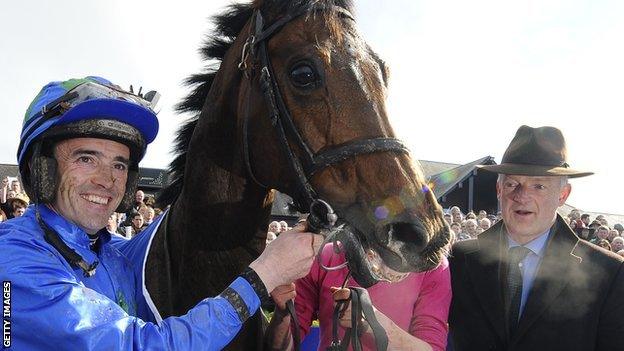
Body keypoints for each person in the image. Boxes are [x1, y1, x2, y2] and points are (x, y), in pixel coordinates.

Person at [0, 76, 323, 350]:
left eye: (119, 164)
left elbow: (190, 220)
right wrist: (261, 277)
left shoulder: (112, 250)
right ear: (41, 169)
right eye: (86, 158)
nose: (107, 180)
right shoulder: (14, 259)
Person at [448, 125, 624, 350]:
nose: (522, 196)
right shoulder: (460, 259)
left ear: (563, 195)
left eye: (538, 186)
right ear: (499, 190)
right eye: (512, 184)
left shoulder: (608, 272)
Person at [266, 243, 452, 350]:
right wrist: (283, 313)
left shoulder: (430, 265)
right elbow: (282, 347)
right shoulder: (327, 256)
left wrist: (371, 321)